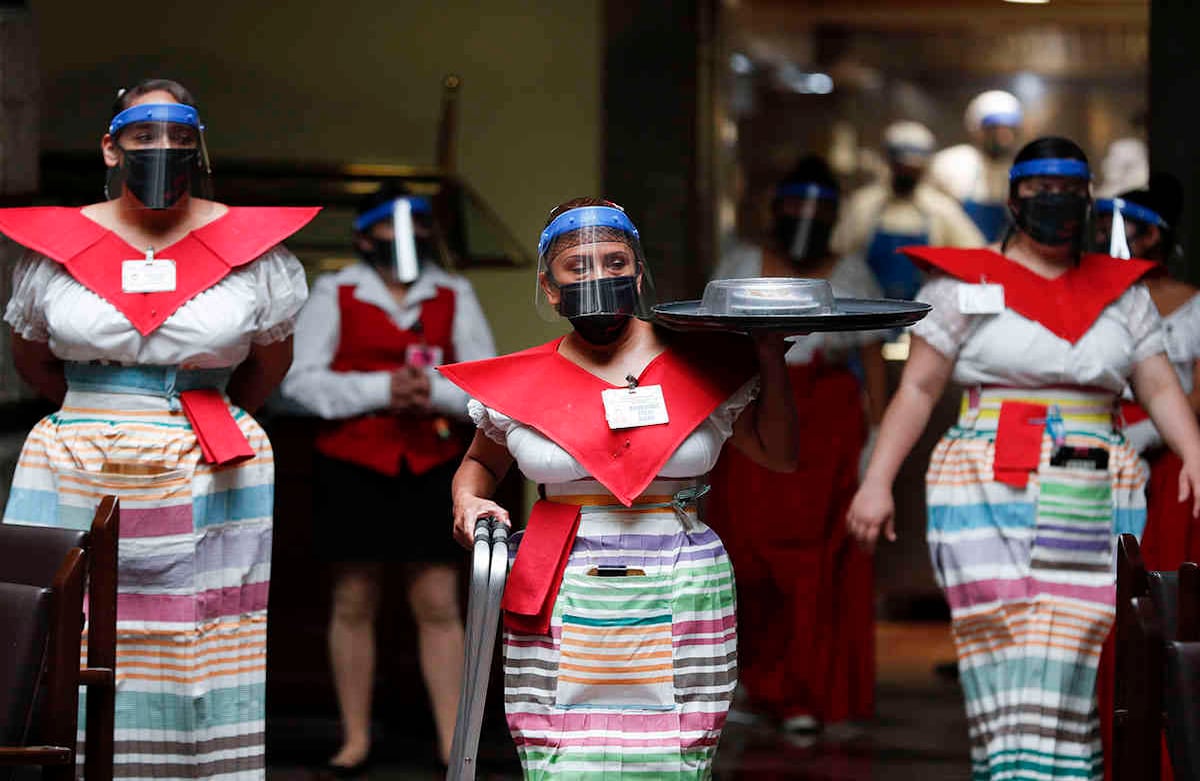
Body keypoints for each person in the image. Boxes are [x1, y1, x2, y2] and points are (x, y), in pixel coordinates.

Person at [847, 137, 1200, 780]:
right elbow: (919, 388)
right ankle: (1010, 772)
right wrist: (876, 481)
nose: (1054, 203)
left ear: (1089, 200)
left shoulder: (1124, 293)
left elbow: (1157, 386)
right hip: (982, 480)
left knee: (1069, 645)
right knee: (997, 642)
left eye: (1069, 191)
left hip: (1092, 481)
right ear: (1013, 199)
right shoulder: (963, 283)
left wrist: (1196, 453)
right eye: (1040, 190)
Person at [1, 79, 315, 778]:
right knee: (58, 628)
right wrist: (99, 406)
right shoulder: (59, 243)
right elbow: (30, 354)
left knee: (199, 633)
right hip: (72, 452)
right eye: (144, 134)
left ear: (197, 145)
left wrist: (191, 410)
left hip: (208, 460)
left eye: (179, 135)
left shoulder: (250, 247)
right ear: (111, 146)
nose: (162, 148)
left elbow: (271, 360)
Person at [438, 197, 799, 778]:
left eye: (614, 262)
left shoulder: (702, 363)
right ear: (549, 287)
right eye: (577, 267)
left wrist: (769, 359)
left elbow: (780, 457)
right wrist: (467, 498)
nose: (598, 277)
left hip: (681, 578)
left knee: (676, 755)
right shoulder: (520, 384)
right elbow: (479, 464)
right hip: (559, 579)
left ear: (638, 272)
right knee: (560, 757)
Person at [279, 188, 496, 773]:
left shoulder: (453, 293)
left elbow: (481, 383)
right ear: (364, 235)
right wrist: (380, 390)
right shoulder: (336, 289)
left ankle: (454, 742)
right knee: (353, 596)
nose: (408, 240)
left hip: (431, 462)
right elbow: (300, 382)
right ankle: (354, 737)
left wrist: (432, 392)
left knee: (437, 598)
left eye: (420, 226)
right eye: (393, 229)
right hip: (353, 462)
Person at [707, 156, 886, 734]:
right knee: (747, 554)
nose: (805, 218)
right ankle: (758, 687)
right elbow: (713, 340)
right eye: (795, 205)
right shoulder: (741, 263)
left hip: (828, 425)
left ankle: (813, 691)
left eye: (819, 208)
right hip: (754, 410)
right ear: (775, 208)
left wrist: (876, 438)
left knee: (823, 562)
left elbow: (872, 356)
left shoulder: (851, 271)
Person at [1092, 174, 1198, 780]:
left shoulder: (1194, 302)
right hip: (1099, 452)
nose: (1131, 238)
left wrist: (1155, 428)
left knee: (1157, 598)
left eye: (1144, 228)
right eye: (1121, 226)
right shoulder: (1099, 298)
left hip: (1172, 461)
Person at [833, 121, 984, 300]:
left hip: (922, 314)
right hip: (867, 313)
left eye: (914, 170)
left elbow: (975, 257)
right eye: (902, 168)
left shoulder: (941, 209)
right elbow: (838, 255)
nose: (908, 174)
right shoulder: (864, 204)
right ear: (889, 162)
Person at [929, 90, 1024, 242]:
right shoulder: (951, 164)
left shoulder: (1023, 172)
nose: (1004, 137)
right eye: (996, 129)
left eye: (1009, 129)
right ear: (977, 130)